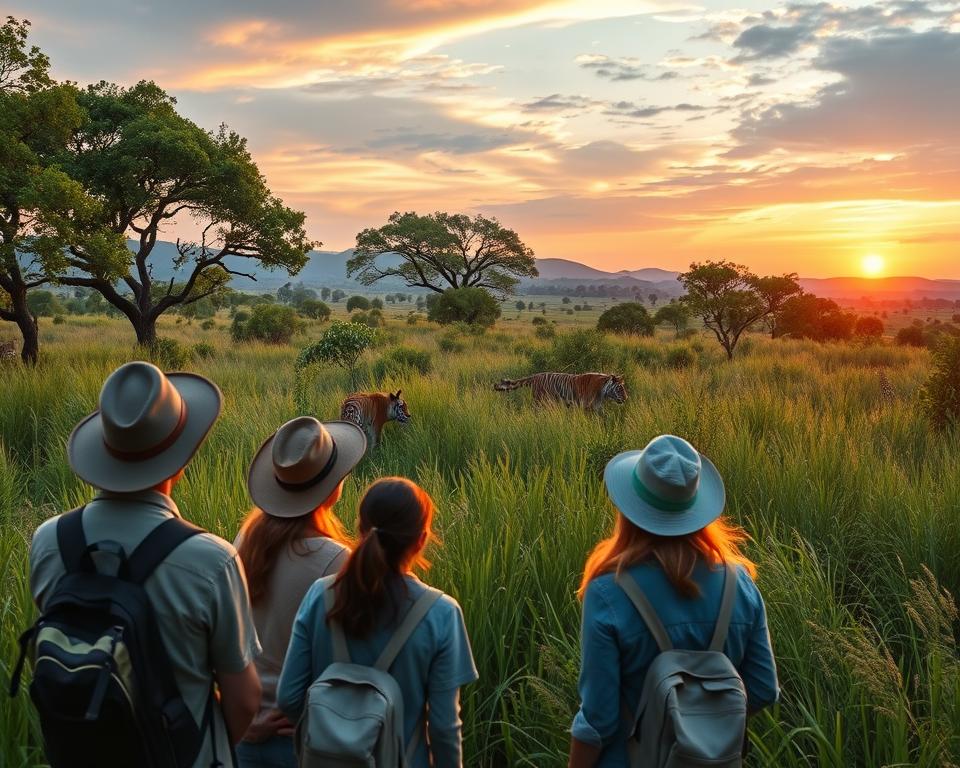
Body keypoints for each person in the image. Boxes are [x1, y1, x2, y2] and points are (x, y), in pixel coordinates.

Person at [28, 361, 262, 767]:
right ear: (180, 460)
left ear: (104, 449)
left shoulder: (49, 540)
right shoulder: (212, 560)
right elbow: (243, 700)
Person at [569, 434, 779, 768]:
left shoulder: (608, 592)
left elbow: (598, 721)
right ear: (695, 508)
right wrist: (701, 725)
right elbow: (764, 689)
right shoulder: (740, 585)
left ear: (630, 509)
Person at [277, 477, 478, 768]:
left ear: (360, 529)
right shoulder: (441, 613)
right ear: (421, 540)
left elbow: (289, 697)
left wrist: (333, 737)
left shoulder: (321, 595)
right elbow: (444, 728)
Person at [235, 416, 367, 768]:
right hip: (301, 735)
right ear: (334, 486)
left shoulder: (245, 541)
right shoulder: (337, 560)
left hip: (244, 728)